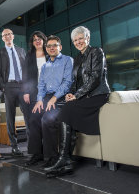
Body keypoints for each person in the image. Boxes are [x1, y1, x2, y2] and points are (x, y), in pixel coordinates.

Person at [45, 26, 110, 178]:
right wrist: (71, 94)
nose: (78, 42)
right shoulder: (78, 58)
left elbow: (95, 79)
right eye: (75, 40)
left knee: (66, 110)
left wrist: (77, 95)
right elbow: (75, 82)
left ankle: (64, 159)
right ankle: (65, 161)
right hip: (84, 96)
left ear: (87, 38)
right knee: (67, 108)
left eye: (81, 38)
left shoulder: (96, 52)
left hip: (98, 95)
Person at [25, 35, 73, 168]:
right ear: (46, 48)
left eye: (54, 45)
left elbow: (67, 82)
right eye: (49, 46)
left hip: (60, 98)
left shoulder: (67, 60)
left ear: (60, 47)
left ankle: (52, 156)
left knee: (47, 119)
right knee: (33, 118)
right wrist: (39, 100)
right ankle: (37, 154)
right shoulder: (45, 66)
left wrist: (54, 98)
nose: (51, 48)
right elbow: (41, 85)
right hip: (46, 97)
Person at [0, 28, 29, 156]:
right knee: (10, 117)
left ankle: (31, 144)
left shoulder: (21, 51)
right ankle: (14, 146)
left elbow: (26, 70)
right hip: (9, 86)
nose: (8, 36)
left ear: (13, 36)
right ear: (2, 38)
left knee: (28, 114)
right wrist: (3, 87)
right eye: (5, 35)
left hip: (22, 87)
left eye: (9, 34)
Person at [22, 31, 48, 166]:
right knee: (33, 121)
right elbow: (25, 74)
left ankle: (49, 153)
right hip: (33, 92)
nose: (37, 41)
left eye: (39, 39)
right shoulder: (29, 55)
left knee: (47, 121)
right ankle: (36, 154)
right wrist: (25, 91)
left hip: (49, 93)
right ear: (32, 43)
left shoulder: (50, 53)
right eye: (34, 40)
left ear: (44, 40)